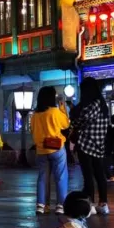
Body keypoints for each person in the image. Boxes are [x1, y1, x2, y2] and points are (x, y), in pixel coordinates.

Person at [71, 78, 111, 214]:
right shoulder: (103, 105)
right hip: (99, 144)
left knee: (88, 175)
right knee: (100, 174)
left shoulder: (92, 105)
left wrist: (74, 124)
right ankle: (103, 203)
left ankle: (90, 204)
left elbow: (84, 118)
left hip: (86, 143)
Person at [31, 86, 69, 215]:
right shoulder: (55, 111)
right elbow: (66, 124)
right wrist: (62, 108)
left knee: (42, 177)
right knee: (60, 176)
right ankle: (60, 205)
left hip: (41, 150)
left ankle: (41, 205)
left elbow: (32, 131)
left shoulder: (35, 115)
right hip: (56, 148)